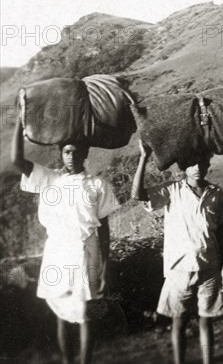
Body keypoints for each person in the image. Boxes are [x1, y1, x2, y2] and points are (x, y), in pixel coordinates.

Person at [11, 121, 119, 364]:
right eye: (67, 151)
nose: (72, 156)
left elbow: (104, 231)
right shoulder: (49, 179)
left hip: (86, 252)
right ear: (60, 153)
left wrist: (105, 267)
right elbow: (17, 159)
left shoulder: (97, 185)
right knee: (62, 313)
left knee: (85, 313)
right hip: (58, 252)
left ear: (86, 153)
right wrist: (19, 123)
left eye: (77, 151)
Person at [131, 141, 223, 364]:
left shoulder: (216, 193)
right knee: (179, 320)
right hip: (179, 268)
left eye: (202, 163)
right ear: (184, 167)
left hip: (210, 266)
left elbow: (222, 231)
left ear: (208, 165)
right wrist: (143, 158)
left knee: (206, 321)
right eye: (192, 164)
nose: (198, 167)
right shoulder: (172, 190)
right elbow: (137, 195)